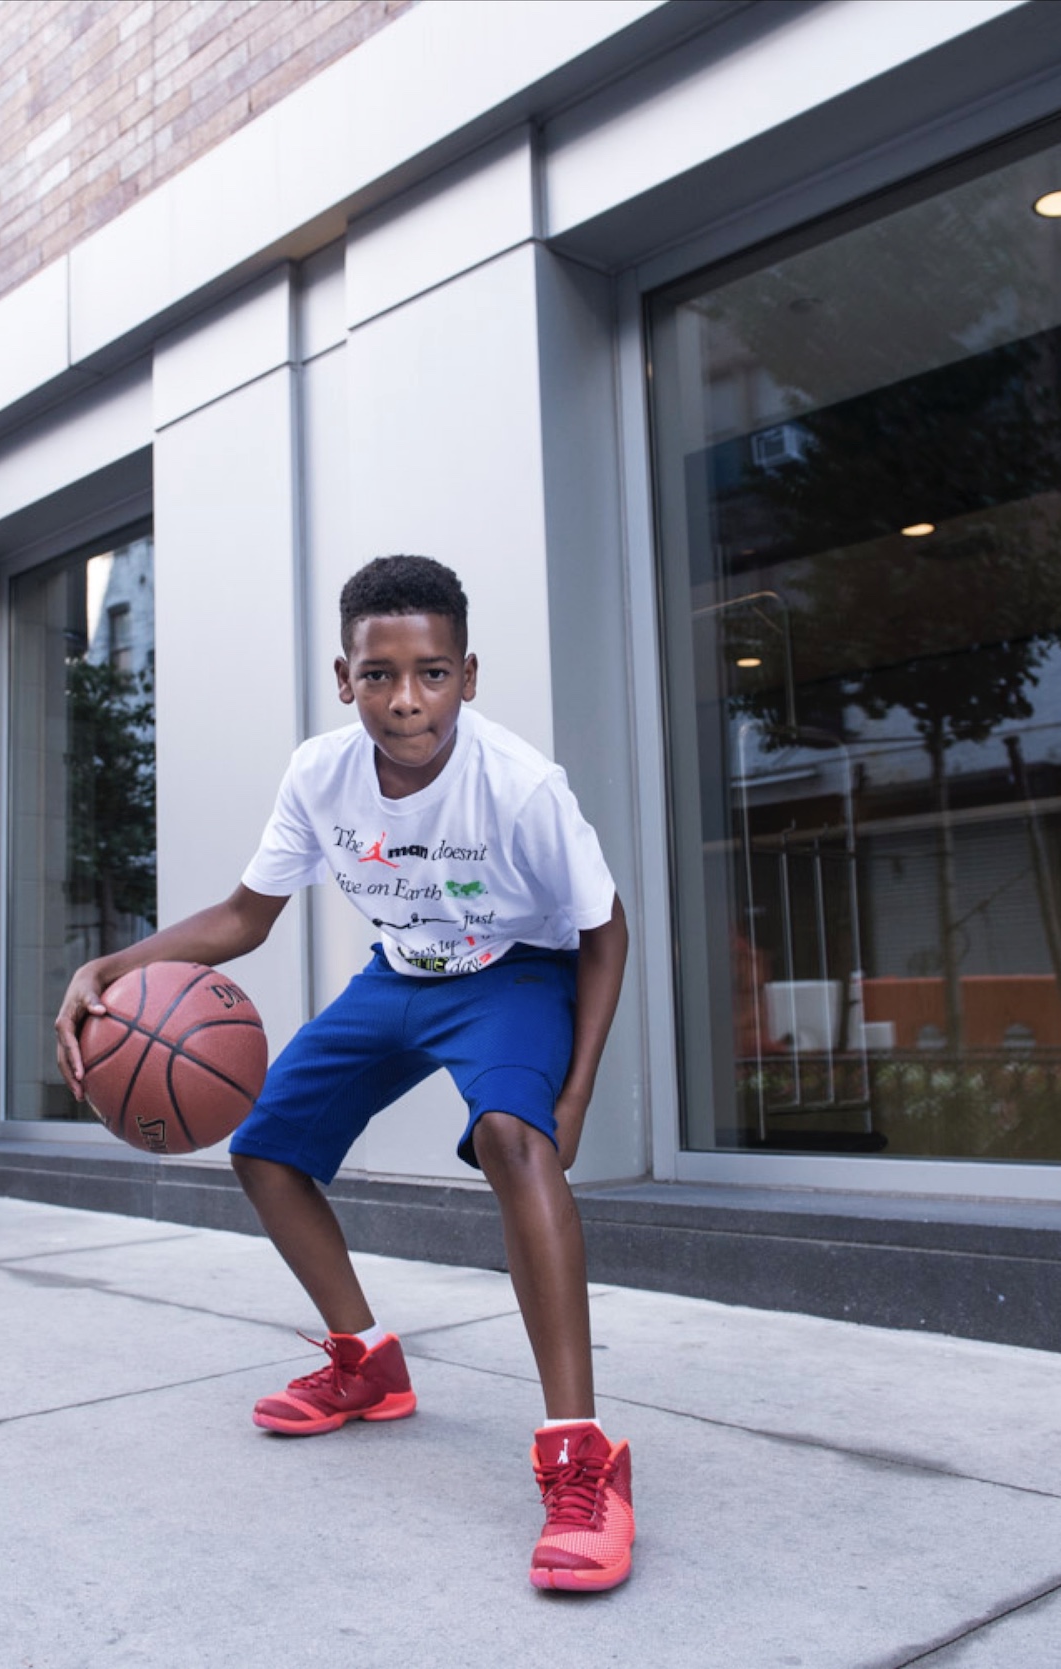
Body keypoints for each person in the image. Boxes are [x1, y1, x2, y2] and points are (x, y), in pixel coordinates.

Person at [54, 554, 635, 1593]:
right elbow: (244, 916)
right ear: (343, 675)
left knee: (513, 1138)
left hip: (513, 974)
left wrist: (575, 1091)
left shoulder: (520, 785)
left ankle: (581, 1456)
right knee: (268, 1143)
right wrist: (116, 963)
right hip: (401, 971)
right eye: (380, 674)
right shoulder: (319, 774)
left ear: (467, 675)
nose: (406, 699)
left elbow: (602, 928)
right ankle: (366, 1362)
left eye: (432, 673)